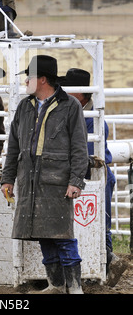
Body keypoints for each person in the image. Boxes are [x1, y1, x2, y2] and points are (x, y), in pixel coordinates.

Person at [0, 55, 89, 294]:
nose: (26, 80)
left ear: (42, 79)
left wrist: (76, 181)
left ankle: (75, 287)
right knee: (42, 234)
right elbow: (14, 146)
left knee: (62, 235)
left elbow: (80, 147)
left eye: (29, 76)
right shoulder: (24, 106)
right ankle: (57, 285)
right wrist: (7, 178)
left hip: (57, 182)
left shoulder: (70, 106)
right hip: (30, 181)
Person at [60, 68, 127, 287]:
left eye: (70, 89)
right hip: (90, 177)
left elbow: (86, 156)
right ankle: (105, 265)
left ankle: (106, 264)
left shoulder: (91, 119)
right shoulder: (86, 115)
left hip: (94, 176)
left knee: (99, 223)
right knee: (95, 221)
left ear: (80, 94)